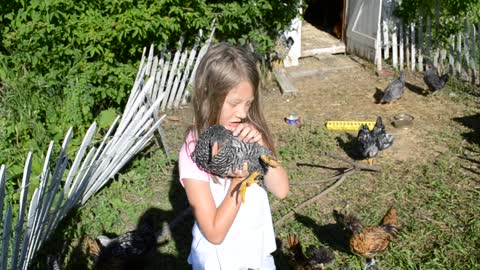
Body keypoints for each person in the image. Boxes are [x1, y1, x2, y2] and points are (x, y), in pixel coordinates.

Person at [178, 42, 289, 270]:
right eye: (235, 103)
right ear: (208, 96)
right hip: (219, 260)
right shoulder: (193, 151)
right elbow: (214, 233)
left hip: (255, 252)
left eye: (248, 103)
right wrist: (240, 182)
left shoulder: (248, 132)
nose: (242, 113)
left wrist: (262, 148)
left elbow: (281, 190)